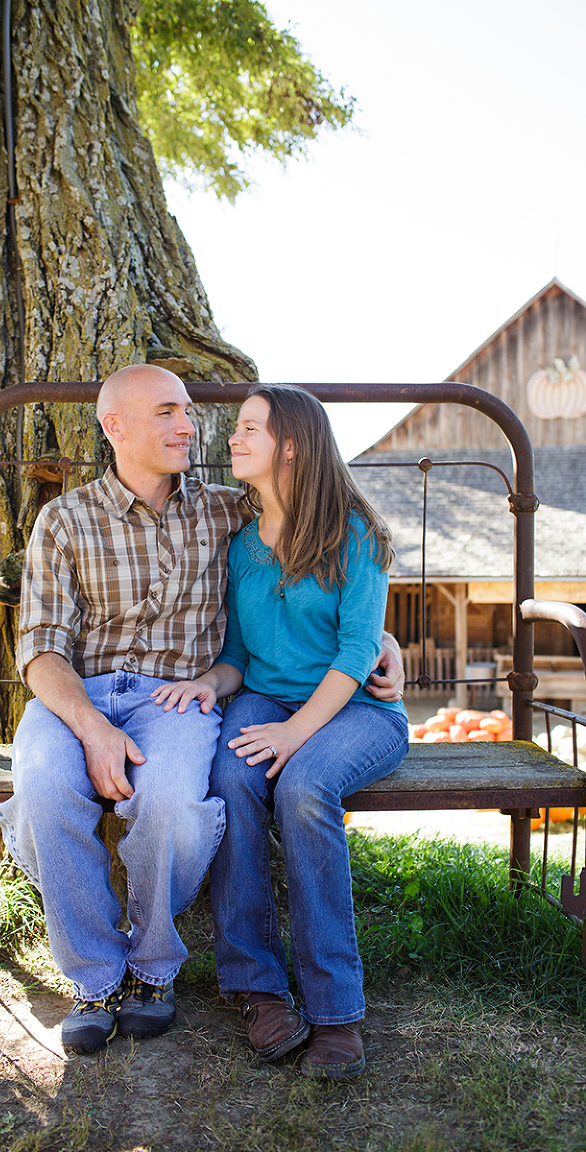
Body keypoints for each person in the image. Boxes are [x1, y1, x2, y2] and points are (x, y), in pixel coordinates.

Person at [0, 366, 405, 1056]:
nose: (194, 427)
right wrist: (104, 723)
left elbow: (325, 563)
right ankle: (120, 980)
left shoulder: (234, 511)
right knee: (45, 792)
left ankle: (190, 977)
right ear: (115, 427)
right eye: (168, 412)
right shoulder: (71, 521)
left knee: (214, 799)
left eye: (193, 412)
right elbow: (43, 648)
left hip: (248, 702)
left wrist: (379, 644)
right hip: (98, 696)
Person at [153, 383, 409, 1080]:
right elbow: (239, 655)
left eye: (249, 429)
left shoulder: (356, 534)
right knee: (230, 775)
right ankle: (256, 988)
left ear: (291, 445)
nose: (232, 439)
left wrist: (296, 732)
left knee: (302, 787)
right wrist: (210, 683)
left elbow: (358, 652)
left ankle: (336, 1011)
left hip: (358, 711)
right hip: (267, 701)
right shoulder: (241, 547)